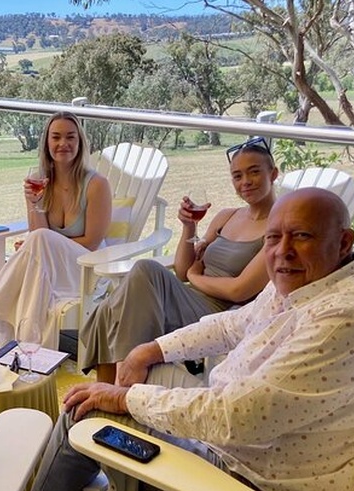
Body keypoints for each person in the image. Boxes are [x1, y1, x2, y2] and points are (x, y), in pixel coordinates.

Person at [21, 188, 354, 491]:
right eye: (273, 238)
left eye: (302, 236)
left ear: (344, 242)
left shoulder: (349, 315)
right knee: (136, 380)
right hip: (246, 447)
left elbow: (238, 416)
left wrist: (124, 399)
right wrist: (151, 349)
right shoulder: (312, 281)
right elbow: (230, 326)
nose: (283, 251)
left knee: (83, 411)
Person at [80, 137, 277, 382]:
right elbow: (183, 271)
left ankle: (122, 385)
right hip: (187, 297)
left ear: (273, 173)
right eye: (237, 176)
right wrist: (189, 227)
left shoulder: (277, 229)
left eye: (254, 172)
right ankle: (109, 390)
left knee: (143, 272)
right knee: (113, 307)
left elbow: (238, 290)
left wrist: (196, 276)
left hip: (220, 313)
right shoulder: (226, 217)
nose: (245, 181)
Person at [0, 112, 112, 350]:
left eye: (70, 137)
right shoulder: (37, 182)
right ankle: (28, 351)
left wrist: (43, 243)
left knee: (37, 241)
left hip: (86, 271)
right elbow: (39, 233)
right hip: (49, 267)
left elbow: (91, 242)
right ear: (47, 143)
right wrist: (36, 206)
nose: (63, 144)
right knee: (34, 268)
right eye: (56, 137)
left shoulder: (97, 185)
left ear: (80, 143)